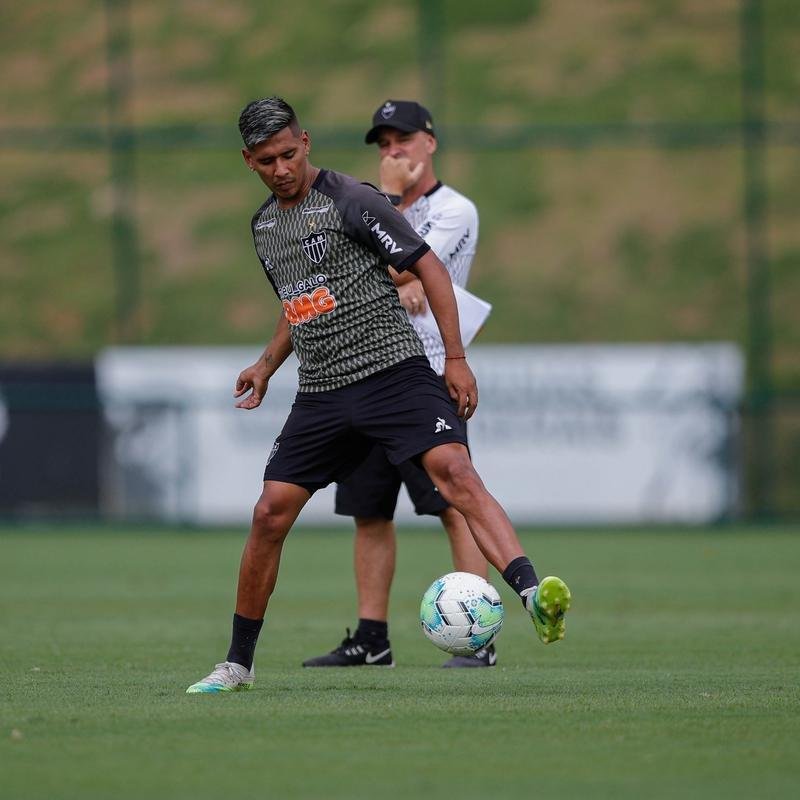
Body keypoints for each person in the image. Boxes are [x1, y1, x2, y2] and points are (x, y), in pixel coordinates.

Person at [186, 96, 571, 694]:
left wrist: (458, 360)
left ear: (306, 142)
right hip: (322, 393)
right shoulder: (265, 226)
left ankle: (531, 593)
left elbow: (431, 271)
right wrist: (265, 364)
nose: (281, 168)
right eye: (267, 161)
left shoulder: (356, 200)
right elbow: (304, 300)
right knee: (269, 514)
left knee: (455, 474)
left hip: (395, 373)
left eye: (289, 154)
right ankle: (237, 665)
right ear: (249, 161)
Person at [302, 100, 492, 669]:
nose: (393, 152)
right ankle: (371, 639)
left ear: (430, 143)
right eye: (383, 145)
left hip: (425, 375)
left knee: (454, 504)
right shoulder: (366, 207)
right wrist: (386, 266)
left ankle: (477, 637)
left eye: (403, 140)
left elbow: (405, 267)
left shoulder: (454, 209)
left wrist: (386, 207)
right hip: (363, 370)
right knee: (369, 510)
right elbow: (344, 272)